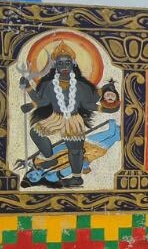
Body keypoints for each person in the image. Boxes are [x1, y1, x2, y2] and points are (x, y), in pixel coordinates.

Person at [20, 42, 100, 187]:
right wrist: (28, 88)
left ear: (73, 63)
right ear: (55, 65)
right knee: (36, 133)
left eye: (67, 62)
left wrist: (106, 104)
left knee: (75, 150)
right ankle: (50, 158)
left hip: (73, 119)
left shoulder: (81, 86)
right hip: (55, 117)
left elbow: (89, 102)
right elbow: (42, 101)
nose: (64, 65)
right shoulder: (49, 84)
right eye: (60, 62)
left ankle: (77, 177)